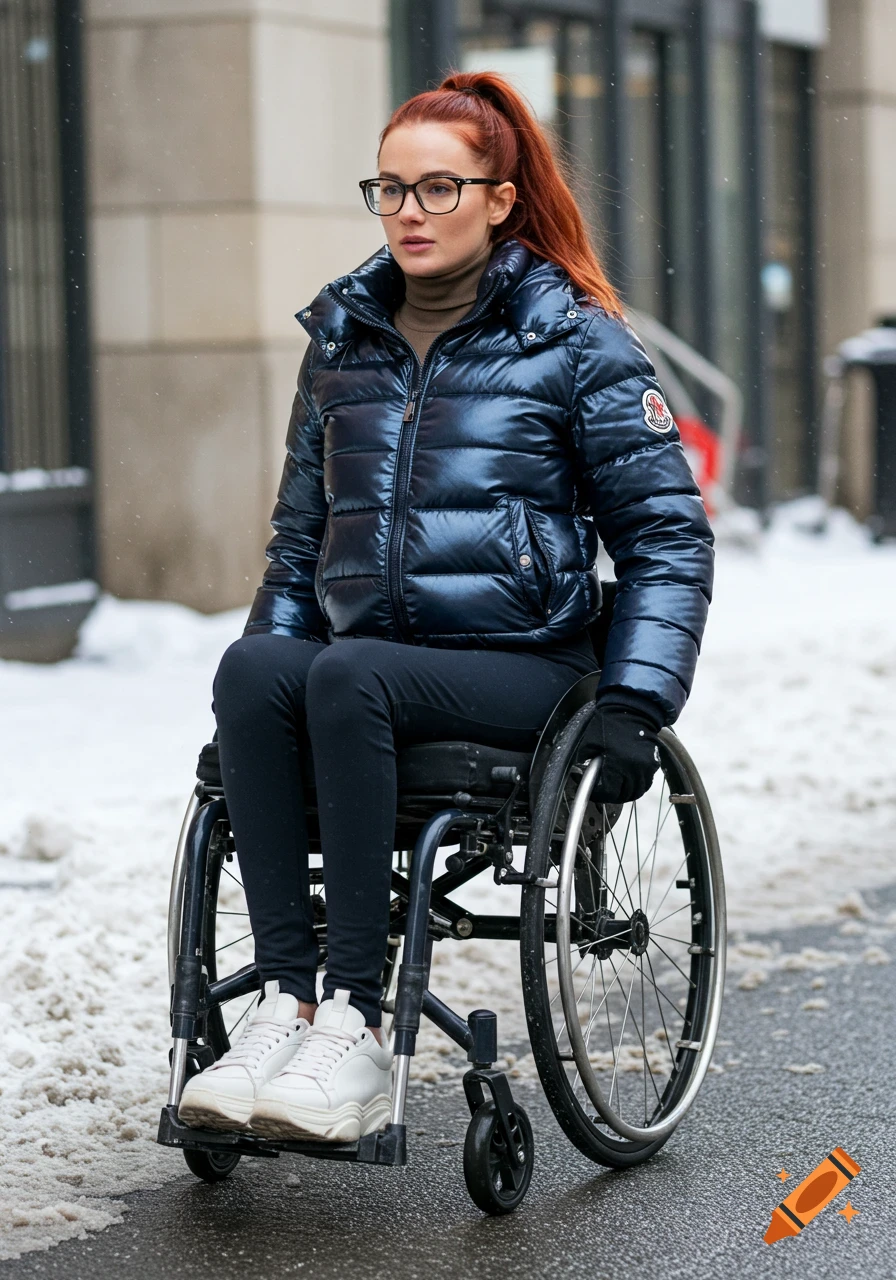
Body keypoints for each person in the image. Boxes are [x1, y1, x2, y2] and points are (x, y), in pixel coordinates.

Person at [177, 70, 714, 1143]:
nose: (409, 214)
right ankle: (283, 1009)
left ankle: (356, 1026)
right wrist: (264, 692)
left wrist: (638, 701)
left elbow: (664, 533)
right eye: (390, 190)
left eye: (438, 189)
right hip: (360, 668)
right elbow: (297, 541)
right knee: (256, 671)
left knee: (346, 670)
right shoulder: (342, 341)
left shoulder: (574, 342)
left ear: (501, 199)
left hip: (524, 665)